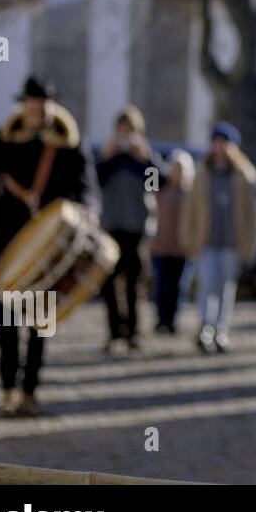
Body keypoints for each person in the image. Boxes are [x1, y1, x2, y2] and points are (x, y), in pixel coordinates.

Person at [0, 76, 95, 416]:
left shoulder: (68, 144)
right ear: (24, 107)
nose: (35, 111)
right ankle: (8, 390)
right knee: (7, 323)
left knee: (40, 324)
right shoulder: (7, 139)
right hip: (11, 245)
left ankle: (30, 392)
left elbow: (86, 187)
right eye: (30, 105)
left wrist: (85, 210)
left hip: (50, 249)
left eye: (40, 105)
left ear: (51, 106)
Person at [179, 122, 256, 354]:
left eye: (225, 143)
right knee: (207, 286)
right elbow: (190, 209)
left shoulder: (243, 175)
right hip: (207, 241)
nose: (220, 148)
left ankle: (221, 330)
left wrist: (249, 242)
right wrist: (188, 237)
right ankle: (205, 328)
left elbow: (251, 214)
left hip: (231, 242)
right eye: (217, 142)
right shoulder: (202, 174)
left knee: (226, 288)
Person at [96, 106, 159, 352]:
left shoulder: (143, 159)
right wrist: (106, 157)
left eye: (129, 130)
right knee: (109, 283)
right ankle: (113, 333)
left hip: (135, 228)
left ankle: (133, 332)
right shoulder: (110, 158)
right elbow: (95, 181)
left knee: (135, 284)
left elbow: (156, 185)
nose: (124, 135)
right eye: (121, 130)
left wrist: (146, 160)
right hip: (111, 227)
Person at [148, 149, 194, 334]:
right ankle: (161, 319)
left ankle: (172, 319)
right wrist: (148, 155)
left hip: (182, 248)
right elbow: (147, 180)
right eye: (175, 168)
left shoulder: (190, 192)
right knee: (161, 285)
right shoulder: (159, 188)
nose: (178, 173)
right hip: (160, 246)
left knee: (178, 287)